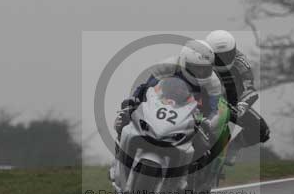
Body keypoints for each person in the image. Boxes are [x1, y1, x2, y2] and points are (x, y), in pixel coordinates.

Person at [114, 39, 225, 140]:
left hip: (196, 110)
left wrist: (208, 123)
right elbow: (147, 86)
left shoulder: (213, 82)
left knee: (210, 138)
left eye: (205, 69)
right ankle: (121, 147)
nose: (200, 73)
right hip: (164, 102)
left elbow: (213, 108)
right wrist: (133, 101)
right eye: (196, 68)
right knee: (123, 120)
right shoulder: (167, 65)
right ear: (184, 61)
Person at [205, 30, 270, 162]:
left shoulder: (240, 61)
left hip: (231, 103)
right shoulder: (199, 58)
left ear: (234, 51)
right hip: (204, 102)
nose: (223, 61)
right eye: (218, 57)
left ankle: (234, 147)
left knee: (262, 130)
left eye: (227, 55)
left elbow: (249, 86)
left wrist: (242, 105)